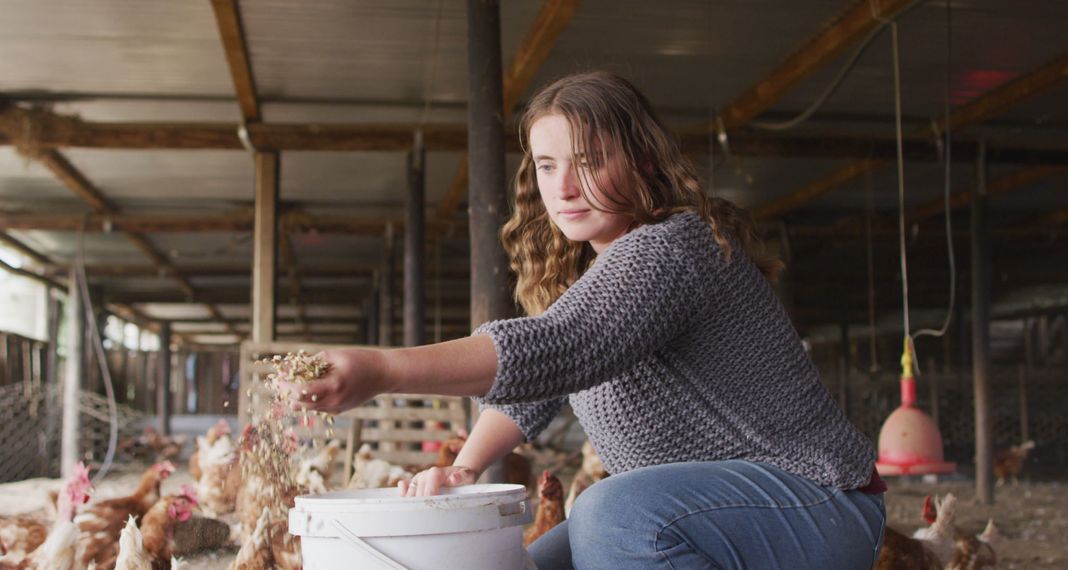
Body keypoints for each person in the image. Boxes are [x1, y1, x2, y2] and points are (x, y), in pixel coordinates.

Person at [285, 70, 886, 569]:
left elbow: (561, 346)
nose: (565, 187)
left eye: (590, 161)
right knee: (521, 567)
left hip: (814, 501)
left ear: (643, 161)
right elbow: (531, 391)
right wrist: (464, 467)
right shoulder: (586, 278)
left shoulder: (672, 247)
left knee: (608, 512)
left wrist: (383, 368)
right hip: (718, 511)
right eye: (547, 166)